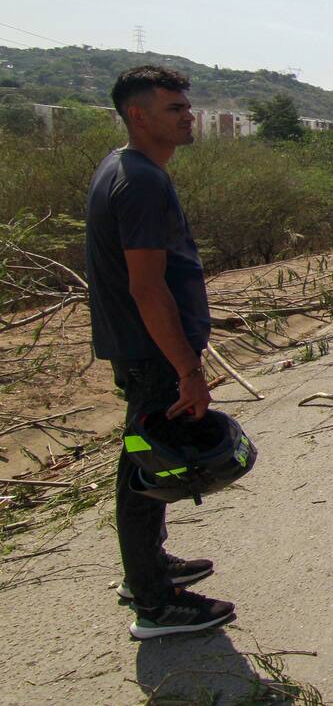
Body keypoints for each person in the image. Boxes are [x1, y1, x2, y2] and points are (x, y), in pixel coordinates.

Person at [85, 65, 234, 639]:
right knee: (147, 470)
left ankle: (147, 567)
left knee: (142, 465)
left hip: (142, 348)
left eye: (186, 107)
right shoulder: (141, 181)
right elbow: (147, 288)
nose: (187, 117)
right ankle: (154, 603)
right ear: (137, 116)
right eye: (174, 109)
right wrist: (188, 370)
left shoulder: (122, 168)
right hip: (152, 353)